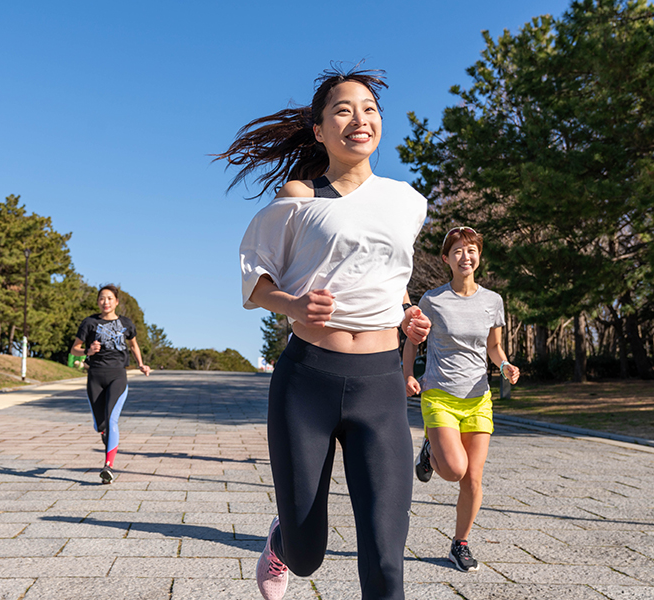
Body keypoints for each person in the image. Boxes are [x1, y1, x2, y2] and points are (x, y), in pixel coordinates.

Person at [216, 65, 432, 600]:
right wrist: (292, 303)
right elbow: (256, 277)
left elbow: (390, 278)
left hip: (379, 386)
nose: (360, 118)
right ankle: (283, 544)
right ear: (318, 129)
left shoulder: (408, 201)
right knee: (308, 552)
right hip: (307, 380)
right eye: (343, 109)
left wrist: (407, 313)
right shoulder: (301, 196)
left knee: (385, 558)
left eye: (370, 109)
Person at [403, 226, 520, 572]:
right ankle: (431, 448)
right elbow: (413, 341)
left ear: (478, 257)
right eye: (457, 252)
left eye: (471, 251)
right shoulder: (432, 300)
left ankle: (460, 543)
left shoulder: (493, 301)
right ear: (446, 259)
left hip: (478, 398)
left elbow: (494, 347)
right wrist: (407, 374)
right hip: (439, 394)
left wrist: (506, 364)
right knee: (454, 470)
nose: (465, 257)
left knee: (473, 478)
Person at [71, 285, 151, 484]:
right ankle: (105, 434)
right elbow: (74, 349)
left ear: (116, 302)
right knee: (100, 424)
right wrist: (88, 351)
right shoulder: (89, 323)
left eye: (109, 298)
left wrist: (141, 364)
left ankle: (108, 466)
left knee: (111, 418)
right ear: (98, 302)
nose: (105, 302)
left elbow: (133, 345)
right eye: (101, 298)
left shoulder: (126, 323)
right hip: (95, 377)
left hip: (118, 376)